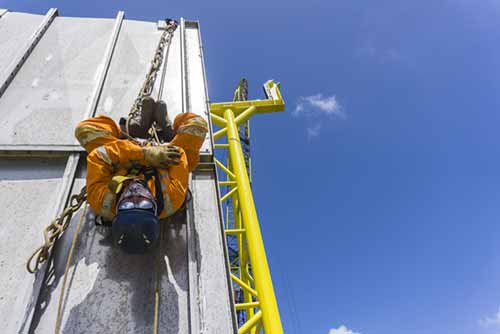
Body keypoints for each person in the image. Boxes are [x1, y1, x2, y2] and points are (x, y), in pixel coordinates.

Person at [75, 97, 208, 254]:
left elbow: (99, 156)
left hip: (123, 154)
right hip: (164, 156)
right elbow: (180, 155)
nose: (135, 196)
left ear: (117, 210)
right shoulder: (172, 199)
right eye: (144, 205)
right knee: (197, 126)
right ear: (154, 209)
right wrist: (161, 152)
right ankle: (168, 128)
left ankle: (134, 128)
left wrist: (142, 153)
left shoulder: (101, 201)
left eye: (127, 205)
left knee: (85, 130)